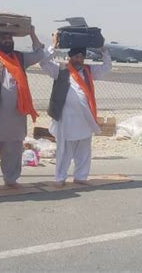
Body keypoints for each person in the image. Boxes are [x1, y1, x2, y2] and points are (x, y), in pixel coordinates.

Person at [0, 22, 44, 192]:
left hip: (16, 113)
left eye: (9, 38)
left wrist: (32, 33)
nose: (7, 41)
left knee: (13, 147)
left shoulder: (20, 58)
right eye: (4, 38)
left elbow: (39, 53)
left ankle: (11, 179)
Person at [39, 32, 111, 187]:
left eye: (81, 57)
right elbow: (43, 63)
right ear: (70, 57)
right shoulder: (60, 69)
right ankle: (60, 178)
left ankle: (81, 176)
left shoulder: (89, 71)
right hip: (66, 118)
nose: (78, 59)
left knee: (84, 150)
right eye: (75, 57)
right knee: (64, 151)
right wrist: (54, 45)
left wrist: (102, 49)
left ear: (84, 58)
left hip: (85, 118)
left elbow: (107, 66)